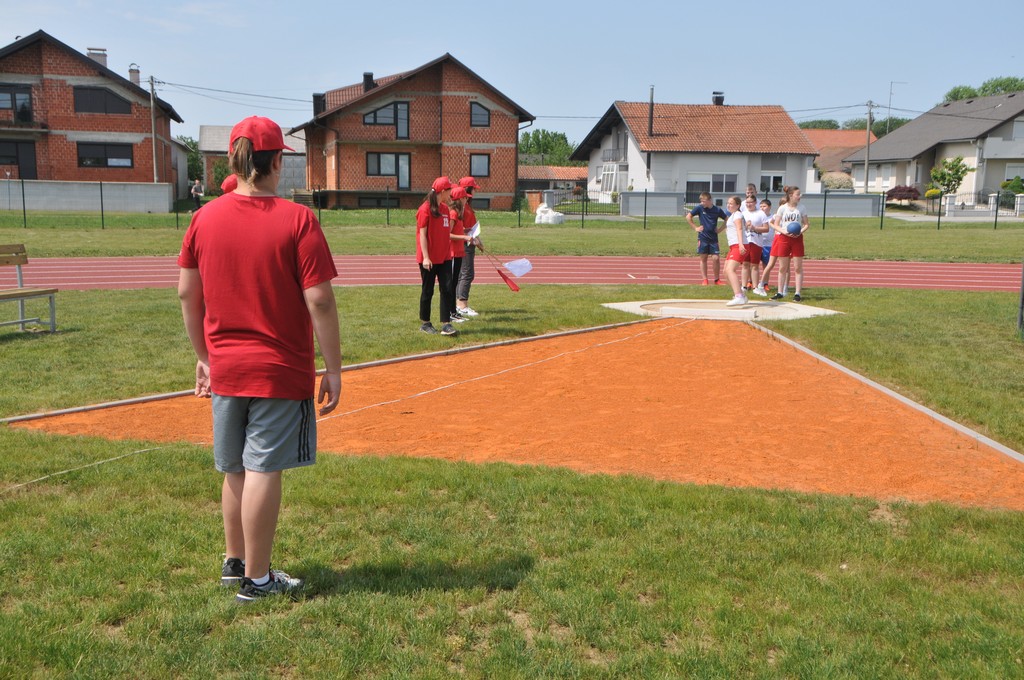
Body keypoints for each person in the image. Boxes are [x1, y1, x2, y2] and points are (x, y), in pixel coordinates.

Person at [177, 115, 342, 603]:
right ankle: (258, 579)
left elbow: (187, 294)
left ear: (234, 160)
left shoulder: (203, 218)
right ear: (274, 163)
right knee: (264, 469)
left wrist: (203, 357)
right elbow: (320, 300)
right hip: (278, 368)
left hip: (226, 366)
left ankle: (235, 564)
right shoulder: (298, 219)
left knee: (235, 468)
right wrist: (333, 367)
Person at [417, 176, 457, 336]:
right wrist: (426, 257)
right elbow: (422, 234)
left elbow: (445, 234)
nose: (451, 193)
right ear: (442, 191)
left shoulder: (445, 209)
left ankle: (446, 324)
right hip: (429, 258)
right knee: (428, 290)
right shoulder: (425, 209)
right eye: (449, 190)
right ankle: (425, 323)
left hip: (444, 256)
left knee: (447, 289)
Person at [769, 186, 809, 302]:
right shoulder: (782, 208)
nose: (799, 196)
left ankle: (797, 293)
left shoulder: (802, 208)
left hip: (797, 239)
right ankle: (780, 292)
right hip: (784, 238)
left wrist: (800, 232)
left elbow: (806, 224)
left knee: (797, 267)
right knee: (782, 267)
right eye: (798, 194)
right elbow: (776, 224)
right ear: (791, 195)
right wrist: (784, 232)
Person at [686, 192, 729, 285]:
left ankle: (717, 280)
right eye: (701, 201)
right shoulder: (699, 208)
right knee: (703, 258)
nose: (702, 203)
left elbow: (727, 219)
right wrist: (695, 228)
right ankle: (705, 279)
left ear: (710, 200)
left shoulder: (717, 210)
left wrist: (720, 229)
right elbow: (688, 217)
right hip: (703, 238)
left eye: (704, 201)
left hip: (713, 239)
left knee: (716, 258)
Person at [455, 177, 482, 317]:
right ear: (468, 190)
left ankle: (459, 304)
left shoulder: (466, 206)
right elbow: (460, 228)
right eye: (474, 189)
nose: (475, 192)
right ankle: (462, 305)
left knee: (463, 274)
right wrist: (473, 238)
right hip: (465, 244)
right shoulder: (463, 207)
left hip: (469, 242)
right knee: (467, 273)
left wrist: (479, 241)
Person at [447, 186, 474, 324]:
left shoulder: (458, 213)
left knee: (455, 282)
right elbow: (448, 234)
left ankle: (454, 312)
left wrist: (465, 231)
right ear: (460, 199)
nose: (466, 200)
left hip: (459, 252)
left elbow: (456, 230)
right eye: (464, 198)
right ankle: (450, 313)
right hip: (453, 252)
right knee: (451, 284)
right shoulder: (453, 213)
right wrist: (464, 237)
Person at [723, 196, 749, 306]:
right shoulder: (732, 215)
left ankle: (739, 296)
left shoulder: (737, 214)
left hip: (739, 245)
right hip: (733, 246)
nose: (728, 205)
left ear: (737, 205)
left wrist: (741, 244)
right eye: (728, 203)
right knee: (725, 272)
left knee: (730, 270)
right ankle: (740, 294)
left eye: (731, 203)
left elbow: (739, 229)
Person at [741, 195, 769, 294]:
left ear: (755, 202)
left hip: (756, 242)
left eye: (751, 202)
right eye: (747, 202)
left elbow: (766, 228)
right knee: (745, 264)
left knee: (754, 265)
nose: (749, 204)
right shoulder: (743, 214)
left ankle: (755, 287)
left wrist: (754, 228)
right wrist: (745, 226)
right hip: (745, 242)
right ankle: (744, 286)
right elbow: (739, 228)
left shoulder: (761, 213)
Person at [751, 198, 774, 297]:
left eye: (764, 206)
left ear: (769, 207)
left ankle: (765, 283)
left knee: (766, 265)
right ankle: (751, 282)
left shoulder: (772, 217)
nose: (762, 208)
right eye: (760, 206)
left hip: (768, 245)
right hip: (757, 242)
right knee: (753, 264)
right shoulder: (757, 216)